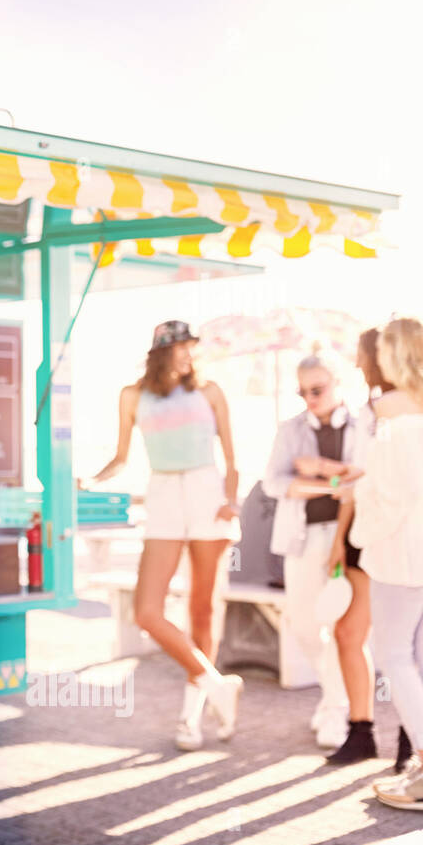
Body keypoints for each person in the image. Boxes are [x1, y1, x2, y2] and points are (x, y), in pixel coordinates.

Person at [84, 320, 243, 751]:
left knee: (202, 610)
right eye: (180, 347)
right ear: (161, 352)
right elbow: (121, 457)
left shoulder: (210, 391)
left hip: (207, 493)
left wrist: (231, 501)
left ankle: (191, 718)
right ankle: (218, 685)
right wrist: (90, 481)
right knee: (147, 612)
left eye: (191, 347)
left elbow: (232, 459)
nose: (188, 354)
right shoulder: (132, 395)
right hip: (163, 494)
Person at [341, 316, 423, 811]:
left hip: (402, 553)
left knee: (394, 655)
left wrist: (359, 529)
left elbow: (394, 496)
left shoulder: (392, 416)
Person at [262, 353, 359, 753]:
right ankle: (334, 694)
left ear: (338, 382)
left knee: (343, 627)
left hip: (350, 540)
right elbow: (273, 482)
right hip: (301, 538)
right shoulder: (290, 429)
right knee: (302, 624)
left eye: (317, 389)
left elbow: (366, 478)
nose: (309, 399)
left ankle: (337, 707)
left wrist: (317, 467)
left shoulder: (364, 425)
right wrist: (332, 482)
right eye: (302, 391)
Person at [323, 328, 408, 766]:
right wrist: (339, 540)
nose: (357, 364)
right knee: (349, 633)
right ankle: (362, 732)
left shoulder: (414, 411)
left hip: (401, 536)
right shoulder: (366, 412)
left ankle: (414, 741)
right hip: (363, 534)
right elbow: (355, 479)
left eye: (362, 355)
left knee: (403, 643)